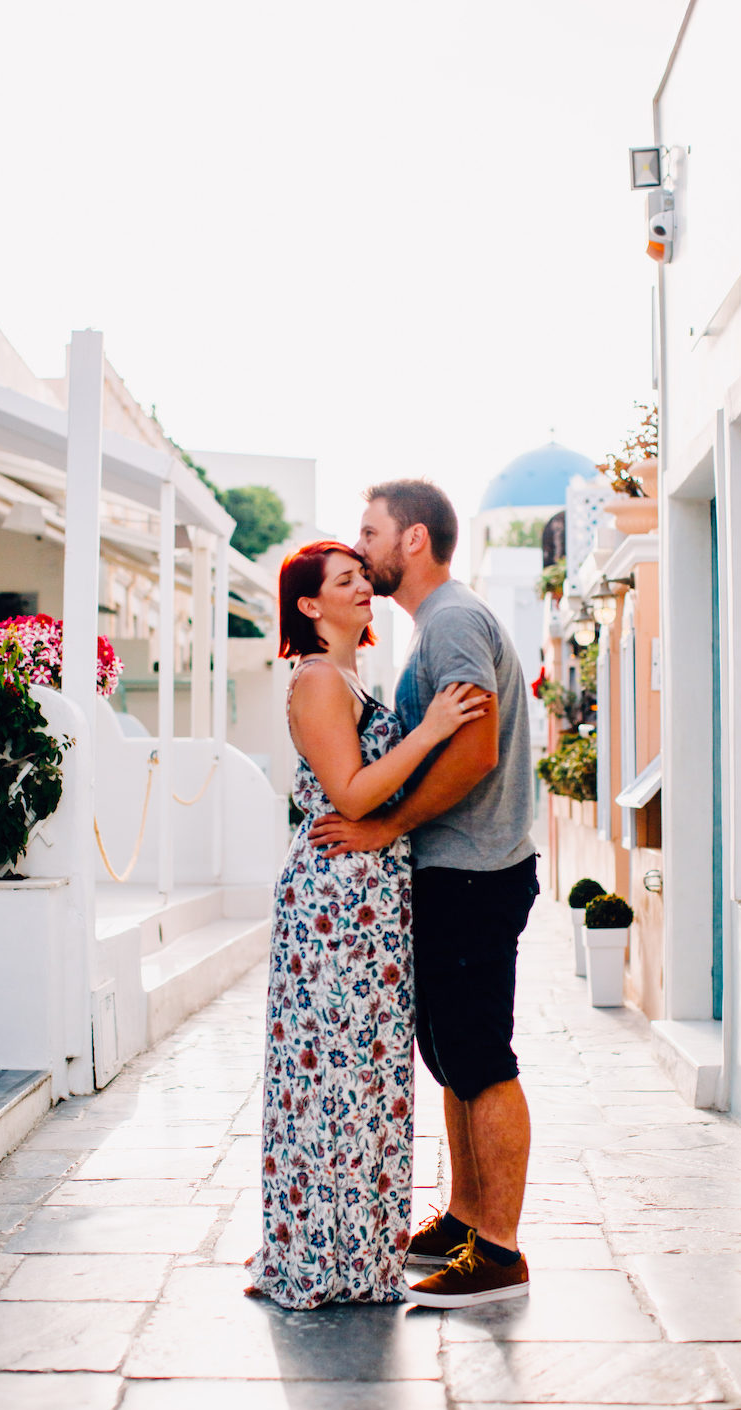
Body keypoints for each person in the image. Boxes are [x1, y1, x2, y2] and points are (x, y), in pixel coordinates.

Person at [309, 480, 539, 1308]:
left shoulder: (451, 621)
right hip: (453, 871)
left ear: (411, 539)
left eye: (369, 530)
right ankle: (467, 1218)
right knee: (452, 1059)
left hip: (476, 869)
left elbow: (474, 751)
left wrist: (385, 827)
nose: (359, 543)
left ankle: (500, 1251)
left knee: (480, 1059)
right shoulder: (433, 628)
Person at [246, 539, 488, 1310]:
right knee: (330, 1079)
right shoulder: (318, 679)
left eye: (361, 578)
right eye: (344, 582)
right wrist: (433, 728)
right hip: (334, 910)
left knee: (364, 1077)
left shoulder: (350, 676)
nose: (363, 589)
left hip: (368, 906)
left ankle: (357, 1253)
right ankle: (324, 1258)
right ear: (309, 606)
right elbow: (351, 796)